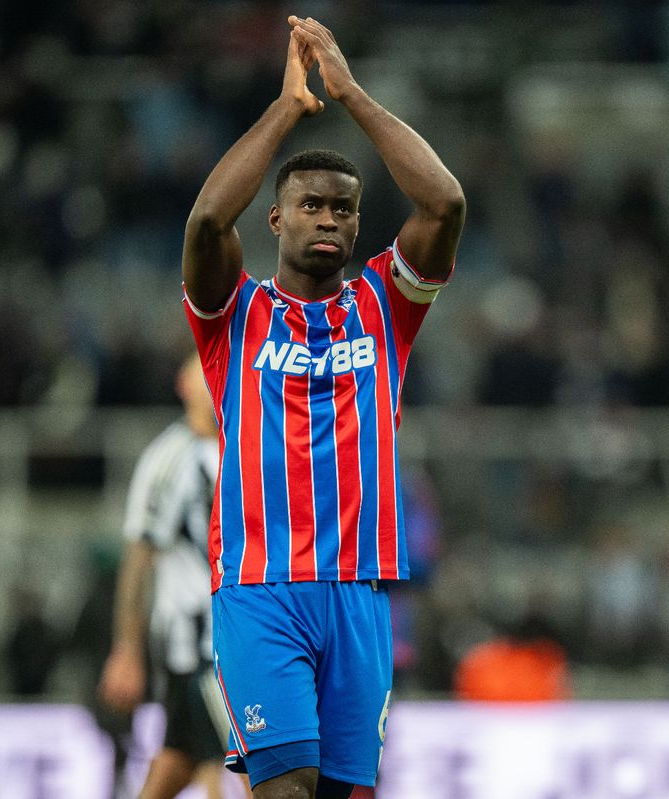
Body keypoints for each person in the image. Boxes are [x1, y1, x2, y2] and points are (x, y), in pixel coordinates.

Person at [181, 15, 465, 799]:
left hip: (361, 591)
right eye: (311, 206)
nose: (329, 219)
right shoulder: (233, 314)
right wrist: (289, 108)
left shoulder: (385, 304)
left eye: (344, 209)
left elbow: (444, 203)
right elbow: (206, 221)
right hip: (259, 588)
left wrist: (351, 93)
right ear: (275, 219)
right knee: (287, 788)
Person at [100, 355, 248, 799]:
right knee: (245, 765)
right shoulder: (168, 458)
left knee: (176, 763)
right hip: (199, 643)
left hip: (234, 637)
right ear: (183, 385)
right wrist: (127, 649)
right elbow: (138, 558)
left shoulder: (243, 443)